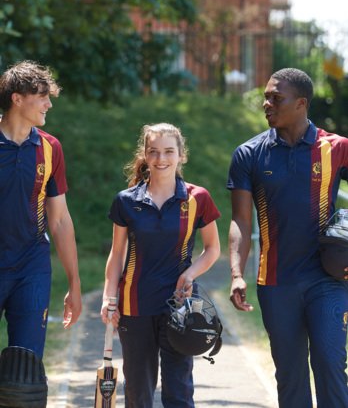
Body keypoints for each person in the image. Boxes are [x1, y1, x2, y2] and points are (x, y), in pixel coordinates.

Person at [227, 68, 348, 407]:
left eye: (275, 99)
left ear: (301, 103)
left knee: (330, 362)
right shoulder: (249, 154)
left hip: (328, 279)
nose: (266, 104)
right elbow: (240, 219)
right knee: (290, 377)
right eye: (266, 97)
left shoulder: (336, 148)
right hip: (276, 283)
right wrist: (237, 273)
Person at [101, 122, 220, 407]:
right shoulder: (126, 201)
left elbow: (213, 249)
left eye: (169, 151)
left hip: (180, 307)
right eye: (153, 152)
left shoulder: (197, 198)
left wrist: (190, 273)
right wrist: (109, 298)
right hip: (134, 305)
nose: (161, 159)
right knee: (138, 392)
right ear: (145, 154)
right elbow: (117, 254)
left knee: (179, 392)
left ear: (181, 155)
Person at [0, 61, 82, 359]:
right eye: (42, 96)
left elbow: (59, 220)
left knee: (27, 366)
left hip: (31, 266)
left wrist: (74, 282)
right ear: (17, 98)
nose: (49, 103)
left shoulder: (49, 148)